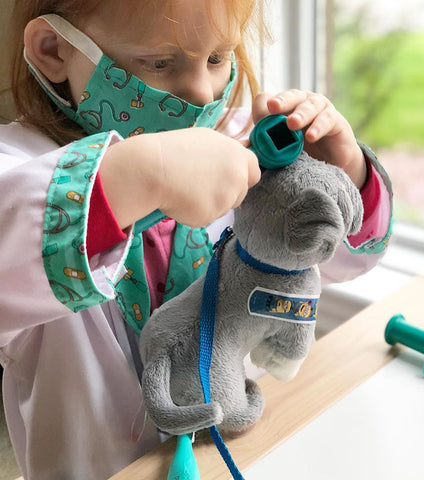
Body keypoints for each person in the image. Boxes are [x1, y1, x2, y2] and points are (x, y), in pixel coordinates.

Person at [0, 0, 392, 479]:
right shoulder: (18, 168)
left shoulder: (239, 146)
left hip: (241, 448)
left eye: (218, 58)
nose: (202, 92)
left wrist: (343, 174)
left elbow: (332, 263)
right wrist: (142, 176)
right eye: (160, 63)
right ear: (53, 50)